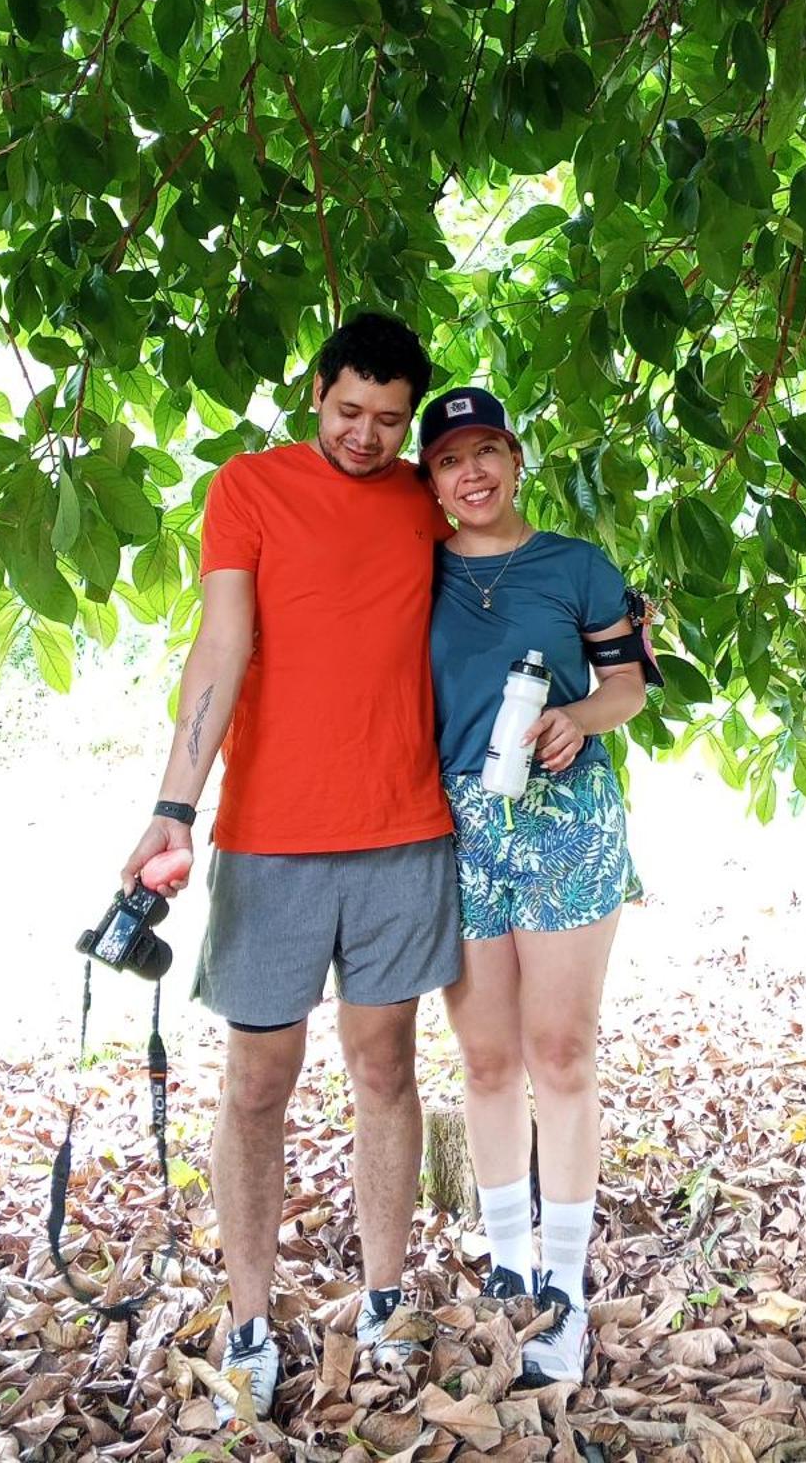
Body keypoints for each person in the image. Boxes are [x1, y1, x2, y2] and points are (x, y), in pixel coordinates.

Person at [119, 313, 460, 1420]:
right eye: (349, 411)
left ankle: (383, 1300)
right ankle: (253, 1315)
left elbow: (507, 569)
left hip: (404, 828)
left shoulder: (423, 496)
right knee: (257, 1084)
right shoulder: (249, 487)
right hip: (268, 836)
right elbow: (220, 643)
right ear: (316, 389)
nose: (366, 435)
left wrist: (619, 629)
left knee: (385, 1073)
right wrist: (174, 803)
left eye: (389, 420)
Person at [418, 385, 658, 1386]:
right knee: (484, 1061)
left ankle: (565, 1290)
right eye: (448, 460)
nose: (471, 473)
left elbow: (631, 683)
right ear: (429, 480)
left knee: (559, 1052)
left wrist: (580, 717)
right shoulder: (413, 569)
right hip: (459, 824)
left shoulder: (577, 564)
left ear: (516, 458)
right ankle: (507, 1264)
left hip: (568, 822)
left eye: (487, 452)